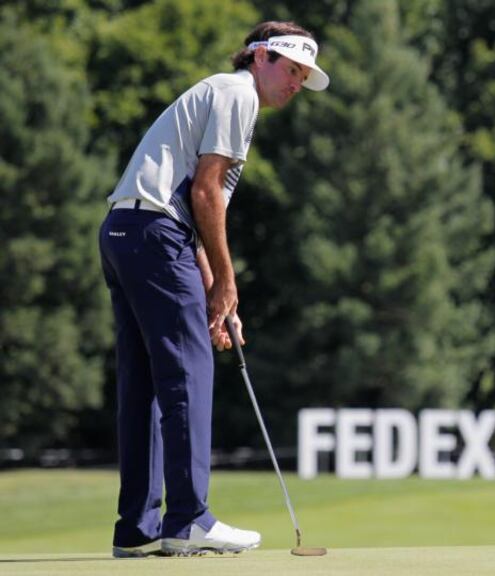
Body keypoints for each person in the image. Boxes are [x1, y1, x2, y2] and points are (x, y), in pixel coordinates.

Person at [98, 21, 329, 558]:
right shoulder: (236, 93)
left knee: (145, 387)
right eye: (291, 69)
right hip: (155, 235)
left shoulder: (223, 96)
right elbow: (206, 194)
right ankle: (188, 519)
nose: (296, 84)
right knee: (188, 374)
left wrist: (215, 295)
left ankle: (137, 527)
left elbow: (194, 208)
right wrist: (226, 282)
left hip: (127, 232)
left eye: (303, 76)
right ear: (261, 57)